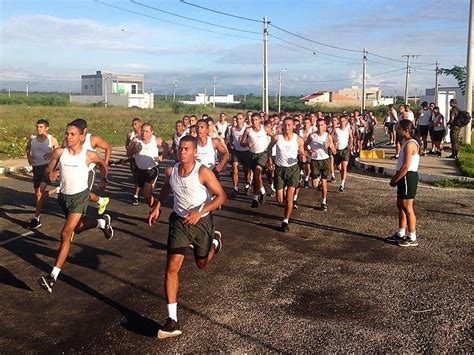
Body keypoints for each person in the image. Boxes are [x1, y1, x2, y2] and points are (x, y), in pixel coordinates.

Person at [148, 135, 226, 339]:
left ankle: (214, 244)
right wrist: (157, 206)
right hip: (179, 223)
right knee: (171, 267)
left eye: (187, 149)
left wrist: (200, 212)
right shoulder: (171, 170)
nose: (182, 152)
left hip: (201, 223)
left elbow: (221, 196)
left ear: (194, 152)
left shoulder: (203, 172)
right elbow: (167, 187)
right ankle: (172, 320)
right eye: (180, 148)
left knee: (201, 263)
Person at [39, 120, 113, 293]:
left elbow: (102, 164)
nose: (68, 137)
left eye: (72, 134)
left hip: (80, 197)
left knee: (65, 233)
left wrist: (104, 179)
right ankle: (102, 223)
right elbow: (48, 171)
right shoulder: (59, 152)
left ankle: (52, 277)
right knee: (78, 229)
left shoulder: (88, 155)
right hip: (64, 198)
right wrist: (50, 174)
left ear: (81, 136)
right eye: (66, 133)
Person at [267, 117, 306, 232]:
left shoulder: (298, 139)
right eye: (285, 125)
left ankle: (285, 221)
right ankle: (282, 192)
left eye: (289, 125)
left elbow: (302, 152)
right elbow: (269, 149)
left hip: (293, 169)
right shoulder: (277, 138)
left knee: (289, 197)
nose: (287, 127)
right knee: (279, 199)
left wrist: (303, 155)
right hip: (279, 169)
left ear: (294, 126)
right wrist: (270, 160)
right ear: (282, 126)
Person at [386, 119, 420, 247]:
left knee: (408, 207)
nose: (397, 130)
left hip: (407, 176)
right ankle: (401, 233)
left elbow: (406, 166)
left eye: (399, 128)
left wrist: (395, 179)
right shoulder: (406, 142)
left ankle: (412, 236)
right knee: (400, 205)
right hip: (403, 176)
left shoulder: (411, 144)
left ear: (406, 130)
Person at [72, 118, 111, 215]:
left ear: (84, 131)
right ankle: (101, 201)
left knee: (83, 195)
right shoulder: (70, 139)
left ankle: (81, 215)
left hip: (88, 172)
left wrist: (104, 164)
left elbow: (107, 147)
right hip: (75, 172)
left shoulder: (93, 139)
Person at [26, 119, 60, 229]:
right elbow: (27, 149)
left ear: (46, 128)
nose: (38, 129)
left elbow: (59, 152)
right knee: (37, 194)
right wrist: (29, 157)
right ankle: (57, 190)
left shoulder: (51, 139)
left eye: (41, 127)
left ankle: (36, 218)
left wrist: (51, 154)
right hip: (36, 168)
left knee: (40, 192)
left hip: (47, 168)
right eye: (37, 127)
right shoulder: (32, 140)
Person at [127, 122, 169, 207]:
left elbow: (166, 146)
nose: (144, 133)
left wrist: (162, 156)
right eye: (142, 131)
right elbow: (128, 153)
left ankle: (155, 208)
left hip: (152, 169)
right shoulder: (135, 140)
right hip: (139, 170)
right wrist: (134, 150)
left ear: (151, 132)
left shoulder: (156, 140)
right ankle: (154, 207)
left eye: (147, 131)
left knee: (146, 191)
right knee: (145, 194)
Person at [240, 113, 271, 208]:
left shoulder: (264, 129)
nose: (254, 122)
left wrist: (270, 149)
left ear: (260, 120)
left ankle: (255, 198)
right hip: (252, 155)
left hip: (262, 154)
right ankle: (262, 191)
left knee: (257, 173)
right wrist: (247, 144)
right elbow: (242, 142)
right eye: (252, 120)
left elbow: (274, 137)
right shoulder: (248, 130)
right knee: (257, 177)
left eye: (256, 120)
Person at [306, 119, 337, 211]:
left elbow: (334, 152)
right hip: (315, 161)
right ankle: (317, 179)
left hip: (325, 160)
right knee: (314, 185)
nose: (320, 127)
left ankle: (323, 202)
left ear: (325, 126)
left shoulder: (328, 136)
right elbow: (304, 145)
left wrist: (330, 145)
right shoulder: (312, 135)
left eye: (322, 125)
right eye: (318, 125)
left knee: (324, 184)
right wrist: (309, 151)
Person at [227, 113, 250, 197]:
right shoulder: (232, 129)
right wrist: (231, 148)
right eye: (237, 119)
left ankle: (247, 185)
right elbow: (230, 140)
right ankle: (235, 187)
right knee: (234, 169)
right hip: (236, 151)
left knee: (246, 171)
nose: (238, 120)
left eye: (240, 119)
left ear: (244, 119)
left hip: (246, 152)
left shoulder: (247, 128)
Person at [333, 115, 354, 192]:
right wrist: (333, 144)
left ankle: (342, 184)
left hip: (345, 150)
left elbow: (351, 138)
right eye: (341, 121)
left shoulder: (348, 130)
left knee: (344, 167)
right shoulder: (336, 129)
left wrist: (350, 144)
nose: (342, 123)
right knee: (339, 167)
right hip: (338, 150)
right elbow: (330, 137)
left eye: (343, 121)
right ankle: (342, 174)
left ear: (346, 122)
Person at [125, 117, 142, 205]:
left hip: (142, 158)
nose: (134, 126)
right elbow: (126, 144)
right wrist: (129, 150)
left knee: (140, 177)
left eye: (135, 124)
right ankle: (137, 193)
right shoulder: (130, 134)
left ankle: (136, 195)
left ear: (140, 124)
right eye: (133, 124)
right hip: (133, 159)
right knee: (136, 177)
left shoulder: (143, 134)